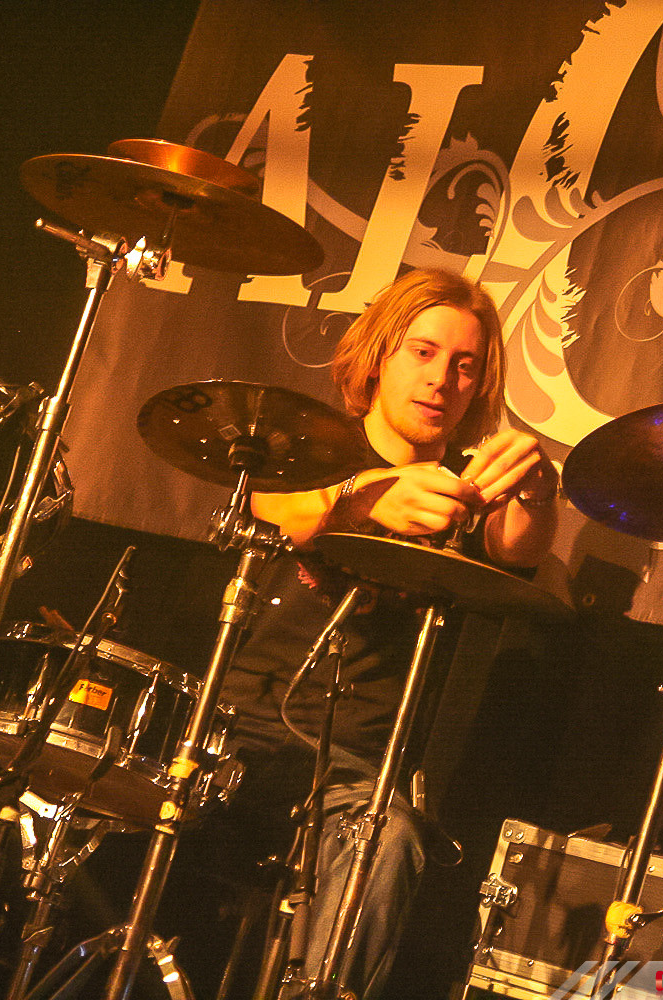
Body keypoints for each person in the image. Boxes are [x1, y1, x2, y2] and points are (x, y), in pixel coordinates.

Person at [212, 267, 558, 998]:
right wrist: (362, 499)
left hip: (357, 777)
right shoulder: (308, 451)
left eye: (465, 366)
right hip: (238, 737)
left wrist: (537, 493)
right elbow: (273, 507)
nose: (442, 379)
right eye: (423, 353)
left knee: (390, 839)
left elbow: (518, 552)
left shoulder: (461, 491)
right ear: (377, 359)